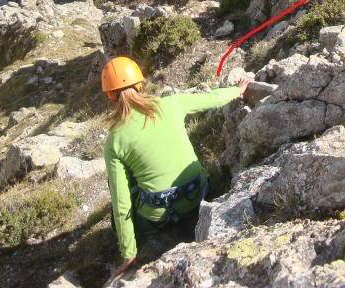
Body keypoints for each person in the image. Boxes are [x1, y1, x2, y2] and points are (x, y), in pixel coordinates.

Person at [101, 56, 249, 278]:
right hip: (199, 194)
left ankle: (155, 234)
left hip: (158, 215)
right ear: (140, 84)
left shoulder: (115, 140)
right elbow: (210, 99)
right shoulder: (170, 104)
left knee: (117, 210)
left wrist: (128, 252)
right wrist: (237, 91)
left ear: (111, 95)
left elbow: (121, 204)